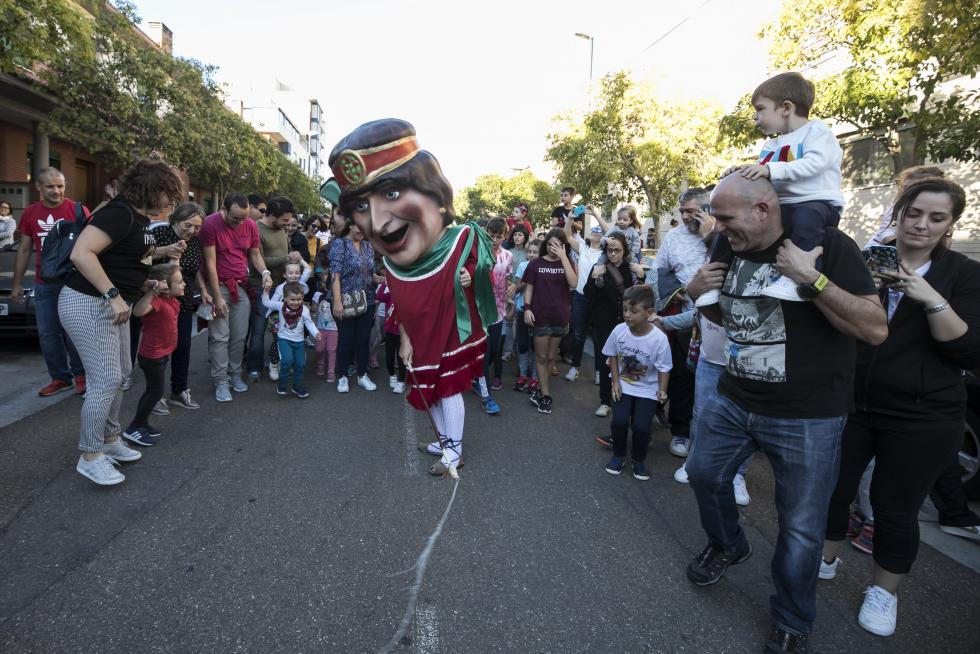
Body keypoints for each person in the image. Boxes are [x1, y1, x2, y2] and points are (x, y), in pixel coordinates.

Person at [683, 174, 886, 652]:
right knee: (703, 474)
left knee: (799, 526)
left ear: (763, 210)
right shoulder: (725, 248)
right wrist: (697, 294)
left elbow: (875, 329)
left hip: (808, 416)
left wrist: (810, 278)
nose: (718, 225)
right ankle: (729, 543)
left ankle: (793, 619)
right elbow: (733, 317)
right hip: (734, 399)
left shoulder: (825, 247)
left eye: (727, 217)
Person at [820, 177, 979, 638]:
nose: (922, 225)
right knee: (832, 489)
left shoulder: (963, 275)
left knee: (895, 507)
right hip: (851, 402)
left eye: (936, 218)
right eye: (914, 213)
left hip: (924, 416)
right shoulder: (867, 261)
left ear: (951, 224)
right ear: (900, 212)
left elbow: (967, 350)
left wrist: (926, 295)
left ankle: (884, 592)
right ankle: (824, 558)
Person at [330, 121, 497, 478]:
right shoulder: (392, 264)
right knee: (428, 385)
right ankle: (445, 440)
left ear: (433, 190)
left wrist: (470, 277)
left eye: (391, 194)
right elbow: (404, 305)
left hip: (451, 331)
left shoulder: (463, 240)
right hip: (419, 337)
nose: (377, 222)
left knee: (448, 385)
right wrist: (405, 337)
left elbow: (486, 274)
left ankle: (454, 450)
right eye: (362, 206)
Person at [59, 154, 183, 486]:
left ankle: (111, 440)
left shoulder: (138, 219)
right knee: (105, 380)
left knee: (121, 375)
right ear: (151, 189)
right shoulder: (118, 213)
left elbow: (127, 255)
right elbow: (81, 253)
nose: (171, 202)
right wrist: (113, 296)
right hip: (88, 302)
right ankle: (90, 455)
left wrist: (158, 260)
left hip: (114, 305)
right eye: (168, 193)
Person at [701, 71, 844, 304]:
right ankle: (714, 280)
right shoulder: (771, 144)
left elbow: (815, 164)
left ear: (785, 108)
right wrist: (739, 173)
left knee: (806, 220)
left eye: (760, 109)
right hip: (782, 205)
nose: (756, 117)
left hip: (816, 202)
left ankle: (795, 279)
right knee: (729, 227)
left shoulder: (817, 132)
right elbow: (761, 177)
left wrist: (770, 170)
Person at [11, 168, 88, 396]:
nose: (56, 191)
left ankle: (81, 376)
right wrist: (16, 283)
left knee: (75, 332)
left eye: (60, 186)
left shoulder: (78, 210)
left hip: (75, 282)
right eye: (50, 186)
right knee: (47, 333)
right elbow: (24, 249)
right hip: (44, 283)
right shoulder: (30, 212)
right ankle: (60, 378)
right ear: (39, 187)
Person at [653, 188, 714, 458]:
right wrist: (676, 292)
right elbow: (660, 270)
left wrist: (710, 236)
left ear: (707, 208)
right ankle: (681, 431)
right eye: (682, 212)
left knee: (710, 380)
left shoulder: (722, 235)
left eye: (691, 211)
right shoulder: (674, 237)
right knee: (681, 375)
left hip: (716, 319)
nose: (686, 217)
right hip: (682, 317)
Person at [201, 193, 274, 402]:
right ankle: (220, 380)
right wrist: (217, 296)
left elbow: (255, 254)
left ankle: (234, 374)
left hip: (242, 286)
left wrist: (265, 273)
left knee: (240, 335)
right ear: (223, 209)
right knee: (219, 336)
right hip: (219, 285)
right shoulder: (210, 224)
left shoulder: (250, 225)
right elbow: (210, 264)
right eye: (235, 218)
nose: (240, 222)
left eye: (243, 218)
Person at [602, 285, 671, 480]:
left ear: (649, 313)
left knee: (642, 427)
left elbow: (664, 367)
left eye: (633, 311)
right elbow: (612, 355)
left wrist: (662, 391)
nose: (627, 315)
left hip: (648, 389)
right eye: (624, 310)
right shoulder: (619, 331)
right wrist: (615, 382)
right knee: (619, 421)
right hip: (623, 384)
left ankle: (638, 460)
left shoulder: (659, 339)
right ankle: (618, 455)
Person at [148, 202, 209, 413]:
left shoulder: (194, 241)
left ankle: (179, 390)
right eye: (188, 225)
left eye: (197, 227)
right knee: (159, 352)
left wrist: (203, 290)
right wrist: (165, 251)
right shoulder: (158, 231)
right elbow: (139, 258)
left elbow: (195, 269)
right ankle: (154, 396)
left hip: (184, 300)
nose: (192, 231)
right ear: (175, 219)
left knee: (183, 347)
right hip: (159, 302)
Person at [122, 263, 184, 446]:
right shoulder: (156, 301)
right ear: (164, 287)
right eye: (180, 282)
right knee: (155, 392)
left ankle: (142, 423)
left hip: (161, 354)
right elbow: (137, 311)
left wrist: (176, 256)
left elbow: (173, 271)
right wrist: (153, 291)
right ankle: (134, 428)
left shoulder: (171, 298)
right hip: (152, 357)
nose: (184, 284)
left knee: (151, 391)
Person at [584, 232, 642, 417]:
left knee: (630, 360)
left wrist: (641, 276)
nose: (613, 254)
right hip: (604, 323)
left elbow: (642, 296)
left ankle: (628, 399)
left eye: (617, 250)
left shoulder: (631, 268)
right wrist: (594, 278)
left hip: (628, 323)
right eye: (610, 250)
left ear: (624, 251)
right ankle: (605, 401)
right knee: (605, 361)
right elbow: (587, 294)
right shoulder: (600, 266)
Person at [523, 228, 577, 415]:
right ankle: (546, 395)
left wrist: (563, 257)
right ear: (546, 244)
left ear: (562, 245)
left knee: (552, 357)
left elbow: (574, 283)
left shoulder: (567, 261)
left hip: (560, 316)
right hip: (540, 316)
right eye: (551, 244)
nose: (553, 247)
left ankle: (540, 389)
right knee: (541, 357)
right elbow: (529, 288)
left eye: (557, 244)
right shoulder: (535, 264)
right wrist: (527, 308)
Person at [246, 196, 294, 382]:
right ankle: (254, 368)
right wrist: (287, 258)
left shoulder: (281, 229)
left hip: (280, 287)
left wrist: (290, 258)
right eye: (284, 219)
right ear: (273, 215)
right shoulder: (256, 229)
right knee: (258, 328)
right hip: (260, 287)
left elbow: (284, 253)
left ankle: (276, 361)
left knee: (281, 327)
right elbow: (258, 260)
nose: (288, 223)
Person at [329, 215, 377, 392]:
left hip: (367, 299)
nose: (363, 232)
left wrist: (380, 279)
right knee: (346, 339)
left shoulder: (367, 245)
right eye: (360, 228)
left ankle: (362, 375)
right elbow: (335, 274)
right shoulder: (339, 244)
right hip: (346, 300)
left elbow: (368, 273)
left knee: (364, 339)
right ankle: (342, 377)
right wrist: (337, 301)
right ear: (350, 225)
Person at [471, 217, 511, 413]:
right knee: (484, 355)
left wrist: (514, 287)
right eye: (491, 235)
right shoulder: (476, 254)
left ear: (505, 236)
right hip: (480, 313)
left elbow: (509, 280)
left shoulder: (508, 256)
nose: (494, 239)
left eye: (499, 236)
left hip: (500, 312)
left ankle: (476, 379)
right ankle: (487, 397)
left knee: (494, 351)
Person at [563, 209, 605, 385]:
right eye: (594, 230)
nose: (596, 232)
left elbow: (610, 231)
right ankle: (575, 367)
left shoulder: (606, 253)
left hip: (598, 300)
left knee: (597, 337)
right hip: (580, 297)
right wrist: (571, 219)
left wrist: (595, 214)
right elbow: (567, 237)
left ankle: (598, 371)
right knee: (578, 334)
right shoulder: (584, 248)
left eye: (599, 231)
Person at [261, 281, 320, 398]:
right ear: (285, 298)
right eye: (292, 299)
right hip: (284, 340)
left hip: (299, 342)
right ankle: (282, 385)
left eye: (299, 299)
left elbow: (309, 323)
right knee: (287, 361)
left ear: (302, 298)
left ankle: (296, 386)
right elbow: (266, 302)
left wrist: (316, 333)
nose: (296, 302)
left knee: (301, 364)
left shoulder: (304, 310)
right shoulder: (280, 306)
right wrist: (266, 291)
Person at [865, 165, 945, 248]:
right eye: (904, 188)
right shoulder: (896, 208)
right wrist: (897, 247)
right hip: (880, 249)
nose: (905, 192)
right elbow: (886, 231)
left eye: (912, 189)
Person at [512, 239, 540, 392]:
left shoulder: (542, 267)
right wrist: (525, 282)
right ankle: (523, 375)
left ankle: (535, 377)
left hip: (538, 311)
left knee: (536, 345)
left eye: (535, 252)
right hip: (522, 309)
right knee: (522, 344)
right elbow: (517, 287)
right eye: (530, 251)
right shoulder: (523, 266)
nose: (532, 254)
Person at [375, 276, 406, 393]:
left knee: (401, 356)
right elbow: (379, 297)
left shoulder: (405, 289)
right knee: (389, 356)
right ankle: (392, 375)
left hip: (403, 330)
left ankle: (402, 380)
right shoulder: (389, 289)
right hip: (389, 329)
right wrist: (385, 283)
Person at [312, 288, 339, 381]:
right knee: (319, 349)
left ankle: (331, 371)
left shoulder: (337, 293)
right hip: (320, 328)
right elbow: (313, 309)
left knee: (332, 350)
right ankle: (320, 364)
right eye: (325, 276)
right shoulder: (318, 294)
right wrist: (314, 306)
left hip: (334, 328)